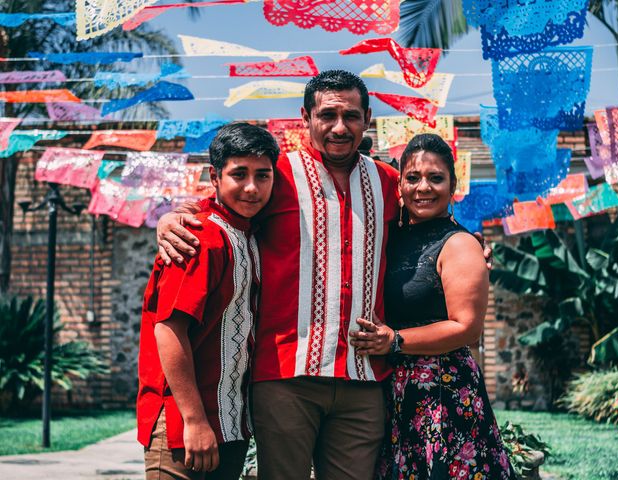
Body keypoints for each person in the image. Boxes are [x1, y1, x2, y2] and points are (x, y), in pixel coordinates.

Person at [156, 70, 492, 479]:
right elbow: (222, 205)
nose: (339, 127)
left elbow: (429, 229)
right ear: (306, 117)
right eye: (327, 115)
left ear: (367, 119)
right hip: (285, 378)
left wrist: (471, 249)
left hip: (364, 379)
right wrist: (172, 217)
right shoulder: (274, 178)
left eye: (350, 116)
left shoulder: (388, 183)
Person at [349, 134, 515, 479]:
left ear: (453, 185)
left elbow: (467, 327)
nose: (423, 187)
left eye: (435, 178)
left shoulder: (460, 245)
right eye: (413, 178)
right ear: (399, 185)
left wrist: (394, 340)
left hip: (443, 391)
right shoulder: (389, 236)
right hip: (394, 390)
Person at [137, 123, 279, 480]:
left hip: (229, 423)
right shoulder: (199, 237)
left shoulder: (249, 234)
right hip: (184, 424)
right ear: (214, 177)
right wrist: (194, 420)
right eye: (239, 174)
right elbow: (168, 330)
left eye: (263, 175)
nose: (252, 187)